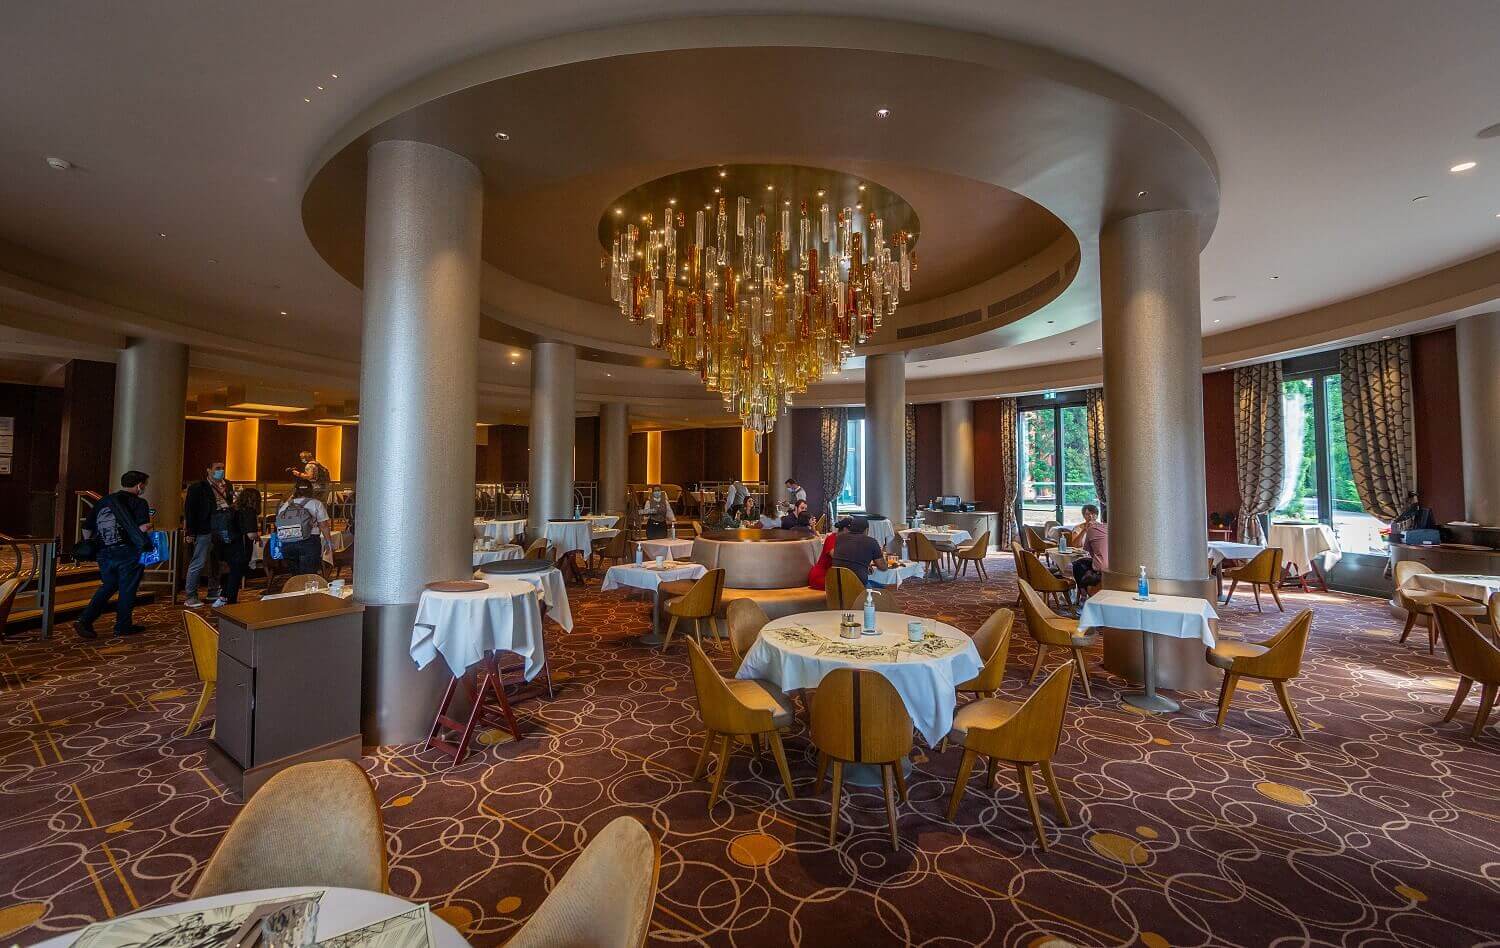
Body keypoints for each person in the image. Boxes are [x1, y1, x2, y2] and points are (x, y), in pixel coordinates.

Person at [76, 471, 153, 638]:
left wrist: (91, 543)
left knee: (108, 585)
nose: (144, 488)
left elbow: (87, 527)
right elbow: (143, 527)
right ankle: (122, 626)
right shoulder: (139, 503)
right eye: (144, 484)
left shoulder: (104, 501)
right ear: (139, 485)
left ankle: (85, 619)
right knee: (127, 589)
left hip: (104, 552)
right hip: (128, 551)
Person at [182, 461, 233, 607]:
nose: (221, 471)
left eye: (222, 469)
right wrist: (190, 531)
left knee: (218, 561)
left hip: (222, 528)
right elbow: (190, 511)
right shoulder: (198, 487)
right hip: (204, 529)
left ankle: (213, 590)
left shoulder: (227, 485)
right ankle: (191, 595)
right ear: (209, 470)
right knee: (199, 561)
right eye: (217, 469)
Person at [214, 486, 261, 606]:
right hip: (241, 547)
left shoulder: (233, 509)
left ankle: (224, 597)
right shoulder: (249, 511)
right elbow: (251, 535)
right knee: (236, 574)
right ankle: (230, 601)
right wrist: (257, 537)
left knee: (231, 573)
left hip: (227, 545)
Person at [275, 482, 333, 577]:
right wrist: (328, 542)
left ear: (296, 491)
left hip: (287, 543)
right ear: (311, 490)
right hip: (309, 542)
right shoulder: (316, 504)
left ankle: (297, 590)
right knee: (309, 576)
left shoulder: (285, 506)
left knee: (295, 576)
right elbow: (323, 525)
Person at [831, 516, 892, 587]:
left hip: (836, 582)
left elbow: (849, 557)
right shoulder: (871, 542)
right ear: (866, 530)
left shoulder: (839, 538)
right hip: (857, 584)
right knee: (881, 587)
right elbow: (882, 567)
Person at [1067, 504, 1110, 592]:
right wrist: (1084, 530)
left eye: (1093, 514)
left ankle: (1084, 591)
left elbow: (1088, 550)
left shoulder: (1096, 528)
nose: (1090, 516)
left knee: (1078, 565)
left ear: (1098, 516)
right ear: (1083, 515)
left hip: (1095, 559)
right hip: (1089, 556)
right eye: (1087, 514)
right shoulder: (1079, 528)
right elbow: (1075, 545)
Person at [808, 518, 850, 590]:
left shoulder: (846, 541)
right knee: (846, 588)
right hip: (821, 576)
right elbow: (835, 556)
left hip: (832, 576)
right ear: (845, 529)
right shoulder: (831, 538)